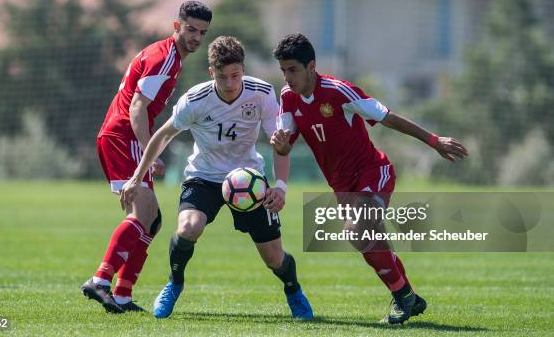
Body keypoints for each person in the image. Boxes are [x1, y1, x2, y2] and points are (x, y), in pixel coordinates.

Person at [270, 33, 468, 324]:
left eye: (293, 70)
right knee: (369, 240)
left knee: (357, 230)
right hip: (341, 186)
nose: (287, 77)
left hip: (373, 172)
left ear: (311, 66)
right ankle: (409, 295)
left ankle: (403, 296)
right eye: (283, 71)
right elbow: (286, 143)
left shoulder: (339, 92)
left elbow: (387, 117)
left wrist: (433, 140)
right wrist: (280, 144)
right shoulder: (288, 98)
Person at [120, 36, 313, 319]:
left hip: (249, 179)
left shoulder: (261, 93)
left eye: (236, 75)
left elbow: (279, 143)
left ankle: (293, 289)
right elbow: (163, 135)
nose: (230, 83)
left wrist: (280, 187)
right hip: (204, 176)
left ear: (243, 70)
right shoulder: (195, 100)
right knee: (188, 228)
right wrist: (137, 177)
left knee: (274, 257)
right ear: (212, 73)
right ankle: (174, 283)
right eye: (222, 77)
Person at [81, 1, 212, 314]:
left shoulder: (170, 56)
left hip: (123, 136)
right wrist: (148, 154)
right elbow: (137, 107)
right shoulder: (164, 57)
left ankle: (123, 294)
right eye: (191, 29)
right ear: (176, 26)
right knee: (143, 214)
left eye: (202, 32)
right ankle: (100, 280)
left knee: (152, 220)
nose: (195, 37)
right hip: (124, 137)